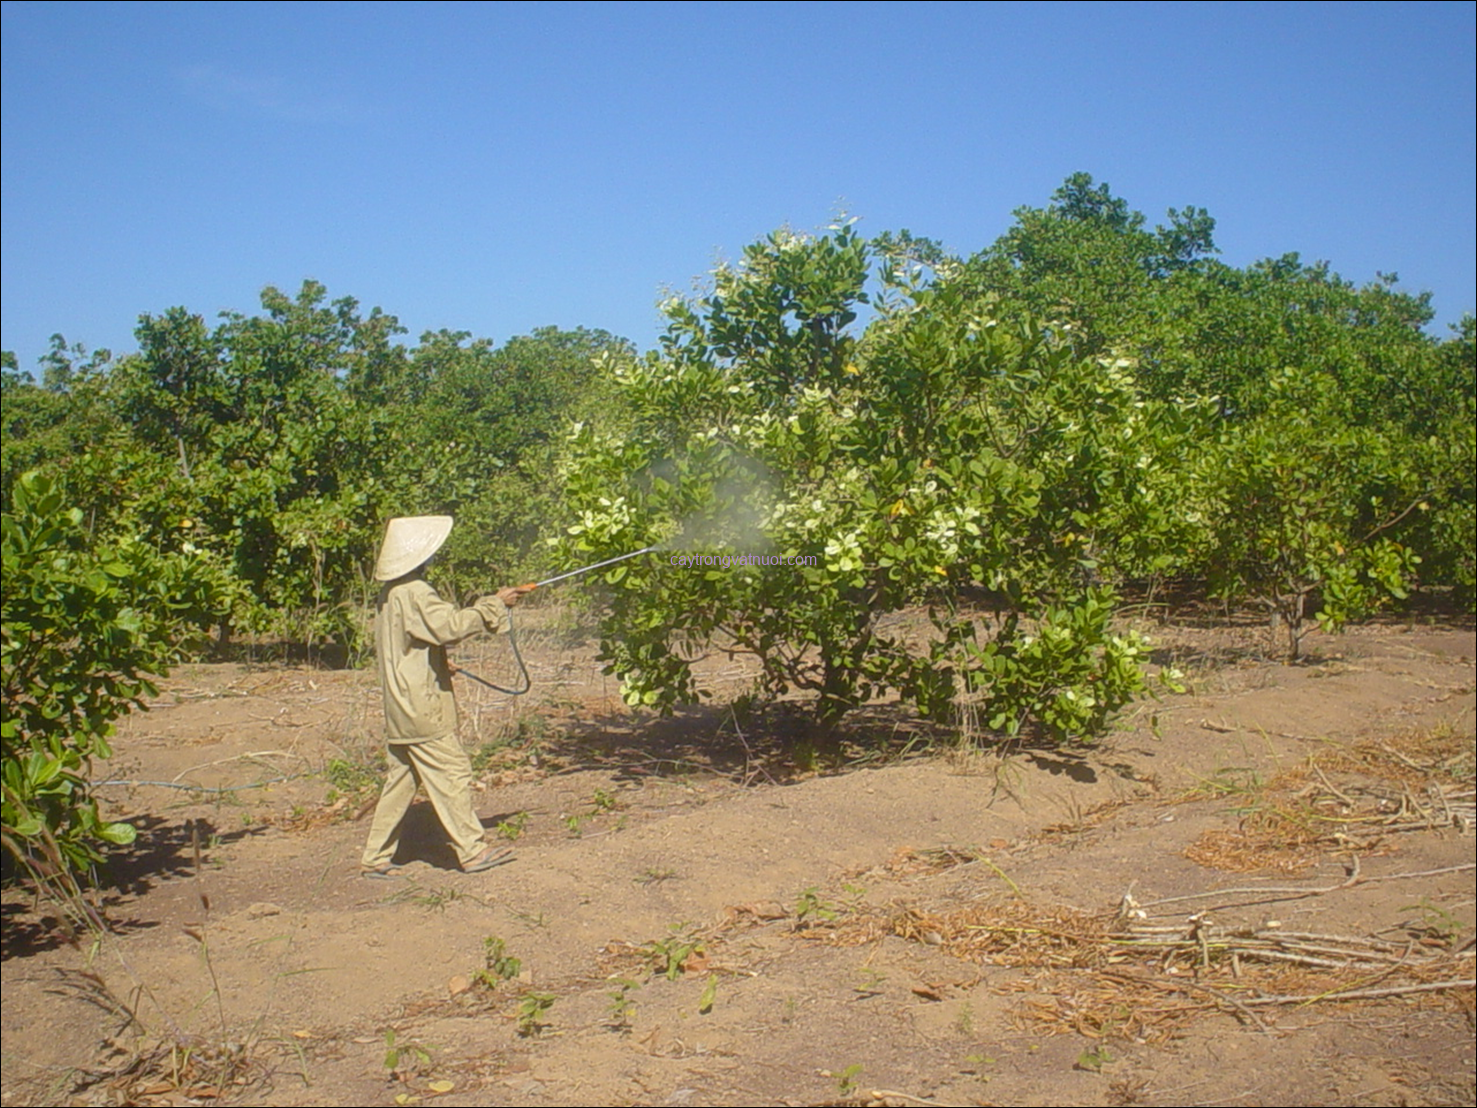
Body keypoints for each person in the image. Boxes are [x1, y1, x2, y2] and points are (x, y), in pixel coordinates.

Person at [360, 515, 532, 877]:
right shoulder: (416, 591)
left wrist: (437, 664)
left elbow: (411, 644)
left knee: (402, 779)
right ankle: (472, 851)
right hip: (421, 705)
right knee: (452, 770)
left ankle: (375, 857)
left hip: (400, 703)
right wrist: (493, 605)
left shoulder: (390, 591)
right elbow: (449, 628)